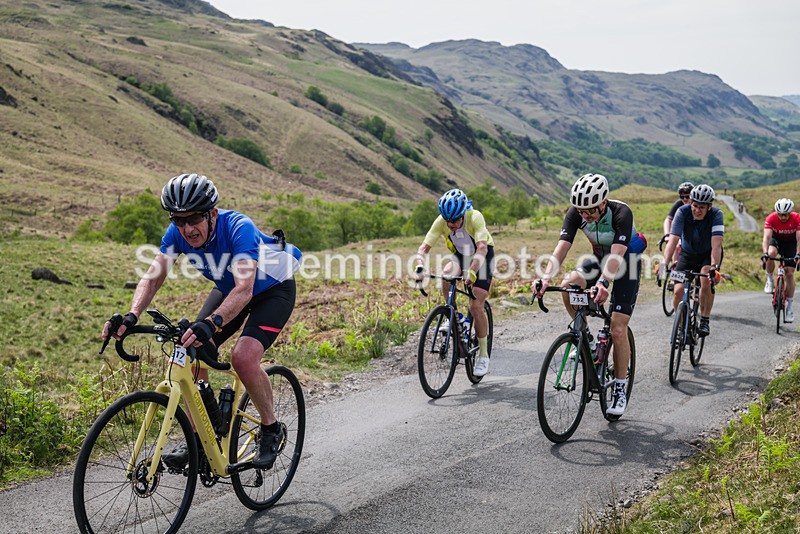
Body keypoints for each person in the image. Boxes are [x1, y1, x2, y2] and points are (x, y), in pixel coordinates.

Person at [102, 173, 302, 470]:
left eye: (194, 218)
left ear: (212, 214)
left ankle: (271, 429)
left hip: (272, 290)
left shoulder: (238, 228)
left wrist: (212, 322)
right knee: (190, 349)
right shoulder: (176, 234)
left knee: (243, 357)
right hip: (228, 288)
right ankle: (199, 439)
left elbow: (244, 290)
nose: (187, 228)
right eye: (178, 220)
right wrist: (131, 315)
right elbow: (154, 276)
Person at [533, 173, 646, 417]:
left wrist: (604, 282)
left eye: (590, 212)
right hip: (599, 259)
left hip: (627, 261)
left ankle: (618, 387)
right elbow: (561, 249)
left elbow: (616, 257)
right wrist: (545, 278)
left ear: (603, 203)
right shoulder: (576, 212)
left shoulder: (621, 213)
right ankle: (587, 339)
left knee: (617, 328)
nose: (584, 216)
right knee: (569, 284)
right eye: (581, 212)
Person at [414, 189, 495, 377]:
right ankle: (456, 318)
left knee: (476, 306)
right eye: (447, 221)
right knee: (446, 274)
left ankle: (483, 354)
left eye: (455, 221)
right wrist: (419, 267)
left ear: (462, 214)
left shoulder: (475, 217)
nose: (450, 225)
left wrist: (473, 271)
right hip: (461, 255)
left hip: (482, 256)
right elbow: (424, 247)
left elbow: (482, 248)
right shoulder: (442, 221)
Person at [662, 184, 723, 337]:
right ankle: (681, 326)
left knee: (706, 281)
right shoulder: (682, 211)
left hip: (707, 256)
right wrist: (665, 263)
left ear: (709, 206)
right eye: (695, 205)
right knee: (677, 291)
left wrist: (714, 267)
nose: (697, 210)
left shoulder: (716, 215)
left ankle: (704, 319)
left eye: (702, 207)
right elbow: (673, 240)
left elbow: (716, 245)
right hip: (687, 255)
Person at [762, 198, 800, 322]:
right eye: (781, 214)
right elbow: (767, 238)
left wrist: (798, 254)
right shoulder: (771, 218)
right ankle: (769, 280)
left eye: (786, 214)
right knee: (770, 253)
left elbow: (799, 240)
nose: (783, 217)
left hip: (791, 244)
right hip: (776, 241)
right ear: (777, 213)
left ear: (791, 212)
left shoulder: (797, 218)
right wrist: (764, 253)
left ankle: (789, 307)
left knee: (789, 273)